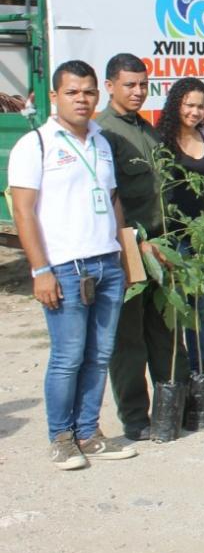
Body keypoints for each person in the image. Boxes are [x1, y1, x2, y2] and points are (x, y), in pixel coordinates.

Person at [11, 59, 137, 469]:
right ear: (54, 96)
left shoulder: (101, 141)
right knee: (67, 356)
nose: (81, 100)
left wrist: (123, 253)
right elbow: (24, 212)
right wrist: (40, 270)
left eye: (88, 92)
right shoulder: (36, 144)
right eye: (72, 92)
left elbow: (113, 199)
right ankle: (61, 437)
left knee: (100, 354)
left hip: (106, 263)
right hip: (65, 268)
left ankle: (89, 432)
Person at [98, 54, 173, 441]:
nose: (138, 91)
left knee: (163, 329)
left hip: (161, 243)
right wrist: (135, 246)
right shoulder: (103, 131)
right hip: (128, 244)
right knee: (128, 339)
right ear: (110, 85)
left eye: (143, 84)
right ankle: (135, 418)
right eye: (129, 85)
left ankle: (167, 407)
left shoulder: (147, 129)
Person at [154, 77, 204, 392]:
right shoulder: (161, 140)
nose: (195, 112)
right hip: (175, 237)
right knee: (175, 310)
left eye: (200, 106)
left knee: (200, 310)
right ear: (176, 103)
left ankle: (200, 375)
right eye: (189, 105)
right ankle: (177, 378)